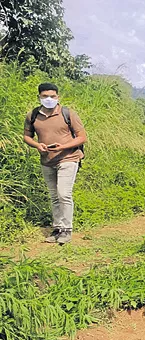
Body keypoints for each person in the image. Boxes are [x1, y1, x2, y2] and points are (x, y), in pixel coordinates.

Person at [23, 82, 88, 245]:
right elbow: (27, 136)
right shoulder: (33, 115)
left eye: (52, 96)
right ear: (39, 97)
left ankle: (67, 230)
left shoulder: (68, 113)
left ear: (58, 97)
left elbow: (82, 137)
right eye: (45, 96)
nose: (49, 99)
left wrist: (63, 146)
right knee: (54, 196)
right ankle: (58, 228)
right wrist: (37, 145)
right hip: (47, 160)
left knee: (63, 194)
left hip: (68, 158)